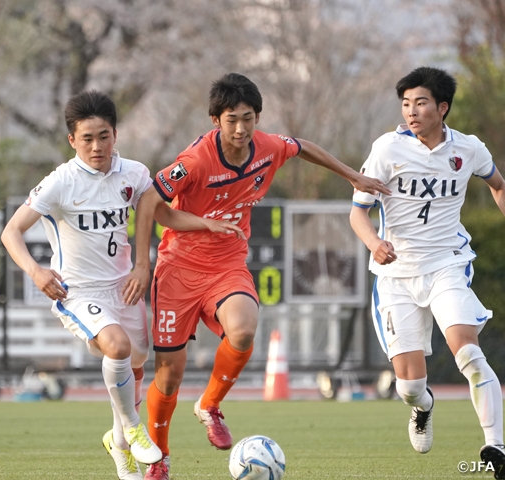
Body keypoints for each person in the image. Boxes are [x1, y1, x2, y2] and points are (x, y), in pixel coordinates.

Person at [134, 72, 390, 480]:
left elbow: (303, 146)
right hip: (178, 268)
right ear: (216, 120)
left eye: (248, 118)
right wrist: (187, 235)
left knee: (244, 329)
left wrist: (352, 176)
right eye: (232, 119)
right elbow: (152, 203)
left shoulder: (267, 147)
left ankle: (210, 405)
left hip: (227, 264)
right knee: (169, 373)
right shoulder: (196, 160)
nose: (241, 128)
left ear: (258, 117)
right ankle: (159, 456)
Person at [0, 90, 243, 480]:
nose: (97, 146)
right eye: (87, 138)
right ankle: (133, 428)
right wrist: (35, 271)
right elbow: (12, 231)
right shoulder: (61, 181)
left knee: (132, 369)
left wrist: (205, 223)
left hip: (125, 289)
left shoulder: (133, 173)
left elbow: (161, 213)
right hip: (78, 292)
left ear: (115, 134)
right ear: (72, 141)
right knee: (116, 346)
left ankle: (117, 442)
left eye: (104, 136)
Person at [350, 66, 505, 478]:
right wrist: (374, 243)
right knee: (410, 386)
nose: (411, 111)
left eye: (420, 103)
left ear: (442, 107)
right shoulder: (387, 149)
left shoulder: (469, 149)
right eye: (405, 104)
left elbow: (498, 184)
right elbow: (358, 213)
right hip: (396, 276)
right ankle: (423, 407)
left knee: (469, 354)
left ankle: (496, 446)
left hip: (447, 265)